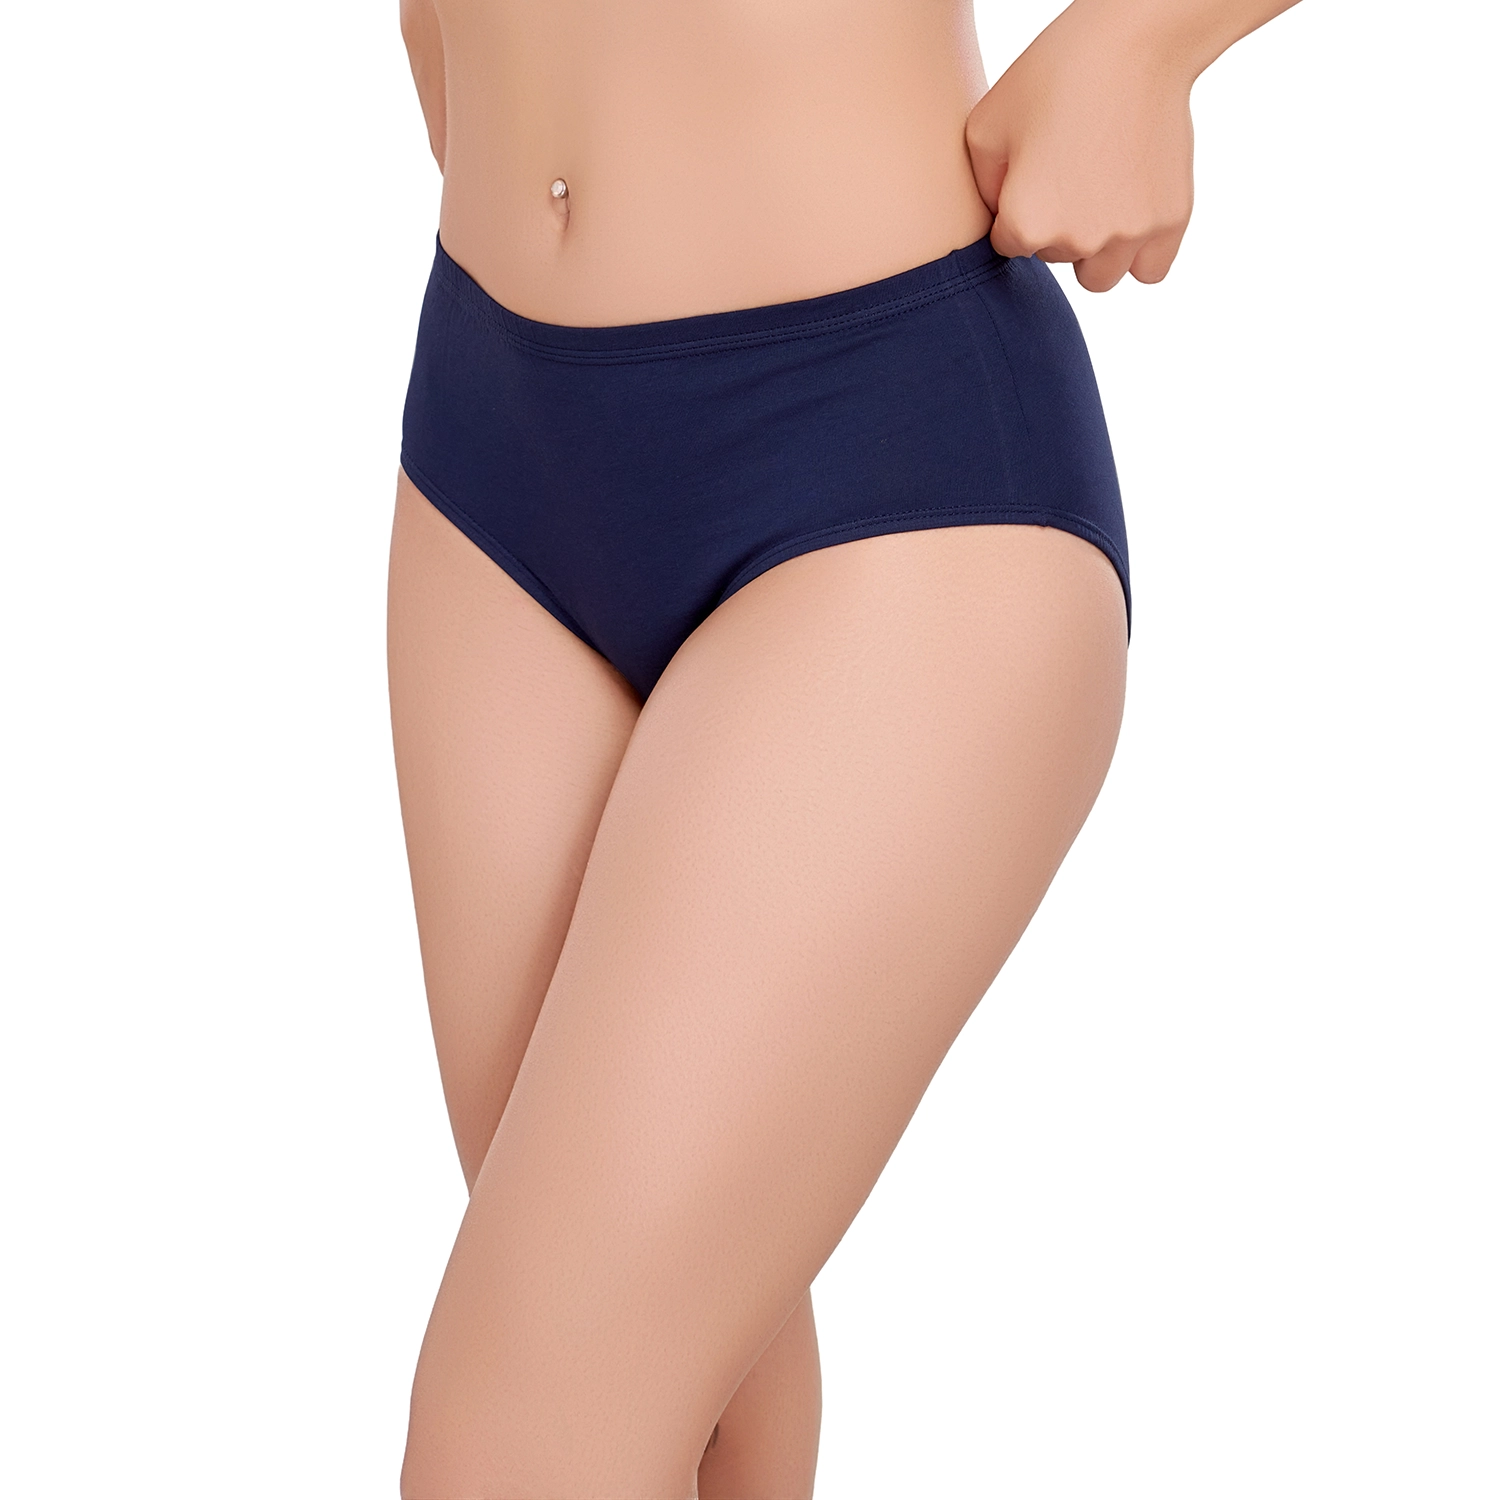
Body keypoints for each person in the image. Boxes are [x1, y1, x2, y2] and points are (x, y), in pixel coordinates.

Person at [388, 0, 1298, 1493]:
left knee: (521, 1437)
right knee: (693, 1390)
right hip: (491, 444)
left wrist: (1145, 41)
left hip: (880, 450)